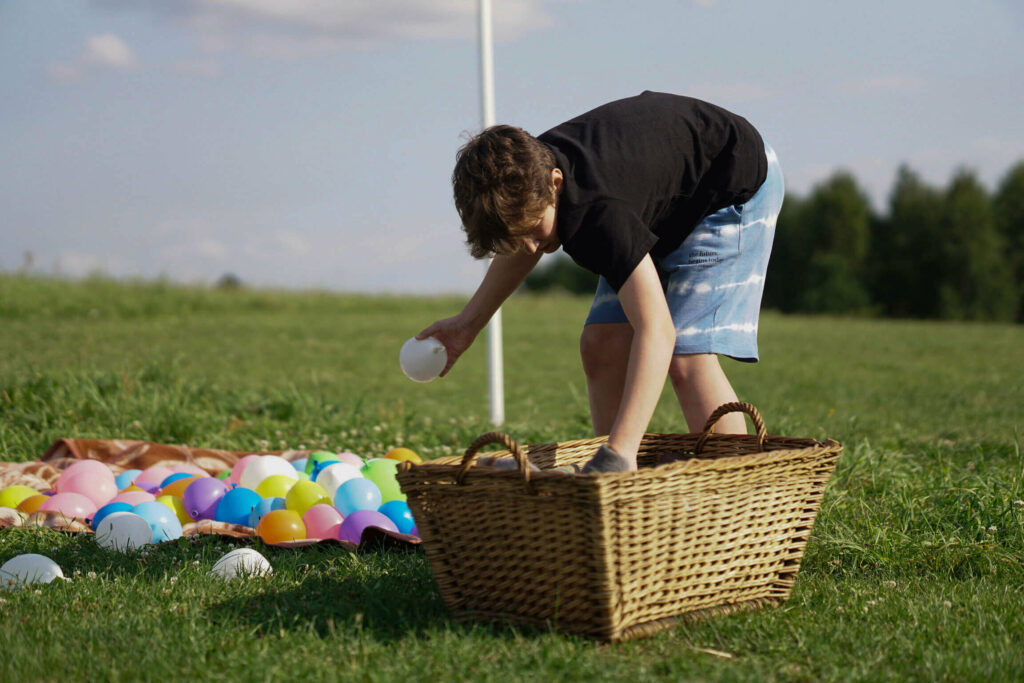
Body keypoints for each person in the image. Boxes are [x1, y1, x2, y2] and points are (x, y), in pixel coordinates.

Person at [417, 91, 784, 473]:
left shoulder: (598, 214)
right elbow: (528, 240)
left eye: (533, 232)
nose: (530, 248)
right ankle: (616, 497)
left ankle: (734, 493)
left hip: (729, 184)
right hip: (660, 205)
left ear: (555, 182)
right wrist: (466, 325)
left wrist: (620, 452)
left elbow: (657, 330)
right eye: (515, 239)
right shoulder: (531, 177)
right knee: (601, 344)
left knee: (687, 357)